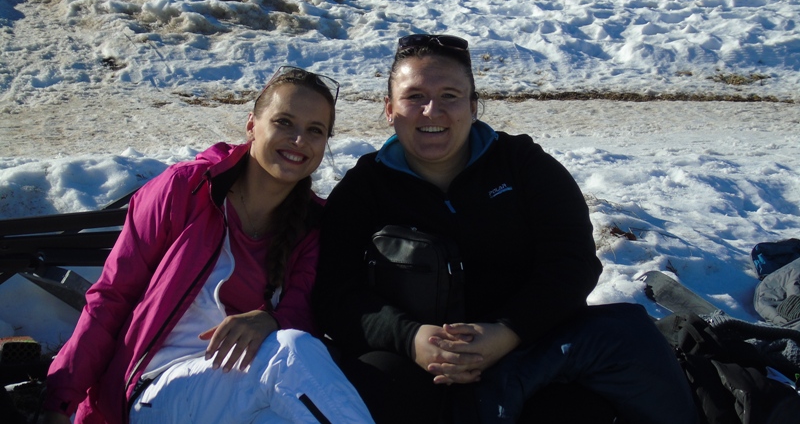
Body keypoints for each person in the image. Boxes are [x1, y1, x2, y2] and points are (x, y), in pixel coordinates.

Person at [311, 35, 698, 424]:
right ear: (390, 109)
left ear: (473, 106)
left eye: (450, 96)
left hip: (529, 350)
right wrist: (410, 338)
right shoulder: (364, 187)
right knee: (370, 390)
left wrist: (506, 332)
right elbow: (334, 294)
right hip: (416, 362)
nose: (432, 111)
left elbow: (572, 264)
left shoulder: (523, 164)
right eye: (415, 97)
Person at [43, 66, 374, 424]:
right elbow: (112, 296)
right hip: (155, 389)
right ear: (252, 125)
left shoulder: (311, 225)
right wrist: (61, 401)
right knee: (290, 352)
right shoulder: (186, 190)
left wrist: (270, 320)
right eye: (284, 122)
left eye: (315, 130)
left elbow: (302, 311)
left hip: (242, 390)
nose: (299, 140)